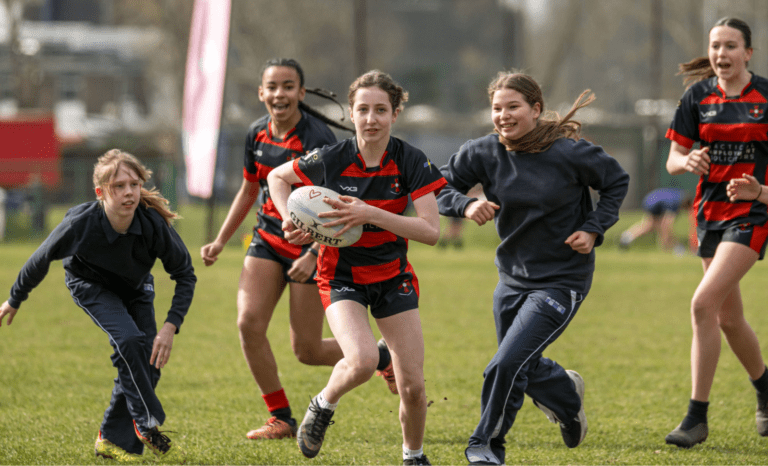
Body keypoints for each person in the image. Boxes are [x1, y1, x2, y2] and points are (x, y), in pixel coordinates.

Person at [437, 72, 629, 465]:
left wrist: (593, 228)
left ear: (536, 109)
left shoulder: (570, 152)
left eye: (513, 107)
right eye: (496, 108)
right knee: (520, 364)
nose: (503, 116)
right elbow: (438, 186)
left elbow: (616, 182)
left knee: (506, 364)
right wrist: (466, 205)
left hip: (562, 279)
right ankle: (564, 394)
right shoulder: (483, 152)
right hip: (510, 279)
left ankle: (485, 445)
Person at [200, 58, 396, 441]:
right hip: (267, 240)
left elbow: (339, 202)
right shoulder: (257, 134)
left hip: (312, 250)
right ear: (261, 93)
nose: (280, 94)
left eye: (288, 86)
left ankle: (381, 357)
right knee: (248, 323)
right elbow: (248, 189)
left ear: (301, 93)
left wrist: (312, 254)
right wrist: (222, 239)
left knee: (305, 350)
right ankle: (281, 418)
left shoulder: (318, 139)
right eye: (272, 87)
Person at [267, 69, 446, 465]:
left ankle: (413, 456)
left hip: (392, 277)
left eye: (381, 109)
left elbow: (431, 231)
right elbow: (278, 178)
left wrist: (371, 213)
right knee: (363, 361)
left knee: (413, 386)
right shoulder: (333, 158)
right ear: (351, 113)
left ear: (395, 113)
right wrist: (291, 219)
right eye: (363, 109)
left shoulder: (410, 160)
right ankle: (322, 405)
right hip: (341, 277)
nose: (371, 119)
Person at [0, 149, 195, 462]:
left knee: (148, 362)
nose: (129, 192)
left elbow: (185, 274)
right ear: (101, 191)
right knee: (130, 341)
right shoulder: (81, 223)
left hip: (135, 286)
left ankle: (111, 441)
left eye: (133, 184)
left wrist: (170, 326)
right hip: (90, 284)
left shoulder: (152, 224)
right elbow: (40, 259)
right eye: (118, 186)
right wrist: (14, 298)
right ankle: (146, 423)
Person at [663, 16, 768, 448]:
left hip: (752, 216)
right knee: (728, 318)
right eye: (715, 46)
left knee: (702, 304)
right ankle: (765, 390)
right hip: (709, 216)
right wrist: (685, 163)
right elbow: (674, 157)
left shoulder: (766, 96)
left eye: (730, 46)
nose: (721, 54)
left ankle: (696, 417)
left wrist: (758, 190)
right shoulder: (697, 96)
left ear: (748, 52)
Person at [619, 188, 693, 253]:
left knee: (650, 226)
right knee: (659, 226)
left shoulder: (678, 195)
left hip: (650, 198)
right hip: (653, 203)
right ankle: (673, 248)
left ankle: (627, 236)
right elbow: (667, 224)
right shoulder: (676, 203)